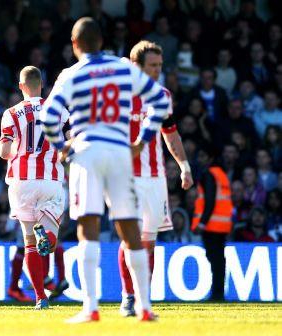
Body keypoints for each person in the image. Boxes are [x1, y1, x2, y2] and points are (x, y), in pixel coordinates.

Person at [41, 17, 170, 323]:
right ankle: (145, 307)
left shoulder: (72, 74)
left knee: (89, 226)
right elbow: (160, 103)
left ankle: (91, 307)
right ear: (102, 41)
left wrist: (62, 146)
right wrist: (142, 140)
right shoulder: (124, 67)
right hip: (121, 152)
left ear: (75, 45)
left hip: (88, 152)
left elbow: (48, 118)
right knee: (129, 228)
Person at [118, 40, 193, 317]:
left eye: (160, 66)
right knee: (131, 239)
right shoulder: (118, 95)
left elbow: (170, 134)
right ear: (137, 65)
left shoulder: (163, 95)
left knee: (148, 242)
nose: (157, 71)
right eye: (152, 66)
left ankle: (142, 299)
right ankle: (128, 297)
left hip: (155, 178)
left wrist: (183, 165)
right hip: (125, 178)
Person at [0, 66, 69, 309]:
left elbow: (4, 152)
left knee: (28, 242)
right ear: (42, 84)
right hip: (49, 179)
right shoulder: (58, 111)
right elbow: (68, 145)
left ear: (21, 86)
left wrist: (15, 149)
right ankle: (45, 234)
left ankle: (40, 298)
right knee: (50, 240)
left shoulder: (11, 113)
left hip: (20, 181)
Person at [191, 147, 233, 301]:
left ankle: (217, 294)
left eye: (202, 156)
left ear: (209, 158)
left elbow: (210, 200)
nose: (200, 159)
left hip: (211, 226)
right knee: (219, 260)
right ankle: (218, 292)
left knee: (215, 260)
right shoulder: (222, 175)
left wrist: (202, 223)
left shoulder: (208, 174)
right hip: (222, 225)